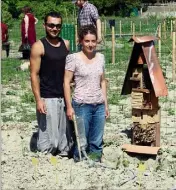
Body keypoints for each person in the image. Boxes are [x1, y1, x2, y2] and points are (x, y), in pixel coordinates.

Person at [30, 11, 73, 156]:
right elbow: (34, 75)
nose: (54, 28)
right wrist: (38, 100)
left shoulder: (66, 44)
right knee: (48, 144)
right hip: (47, 96)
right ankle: (37, 141)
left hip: (64, 95)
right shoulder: (38, 46)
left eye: (58, 26)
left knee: (64, 144)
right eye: (51, 25)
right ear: (44, 25)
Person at [64, 25, 109, 162]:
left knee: (96, 139)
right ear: (81, 42)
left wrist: (105, 104)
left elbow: (102, 81)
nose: (90, 44)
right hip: (82, 104)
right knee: (81, 139)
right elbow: (66, 82)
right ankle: (81, 162)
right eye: (87, 41)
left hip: (98, 104)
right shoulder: (73, 58)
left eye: (93, 41)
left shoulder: (100, 57)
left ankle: (95, 162)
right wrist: (69, 107)